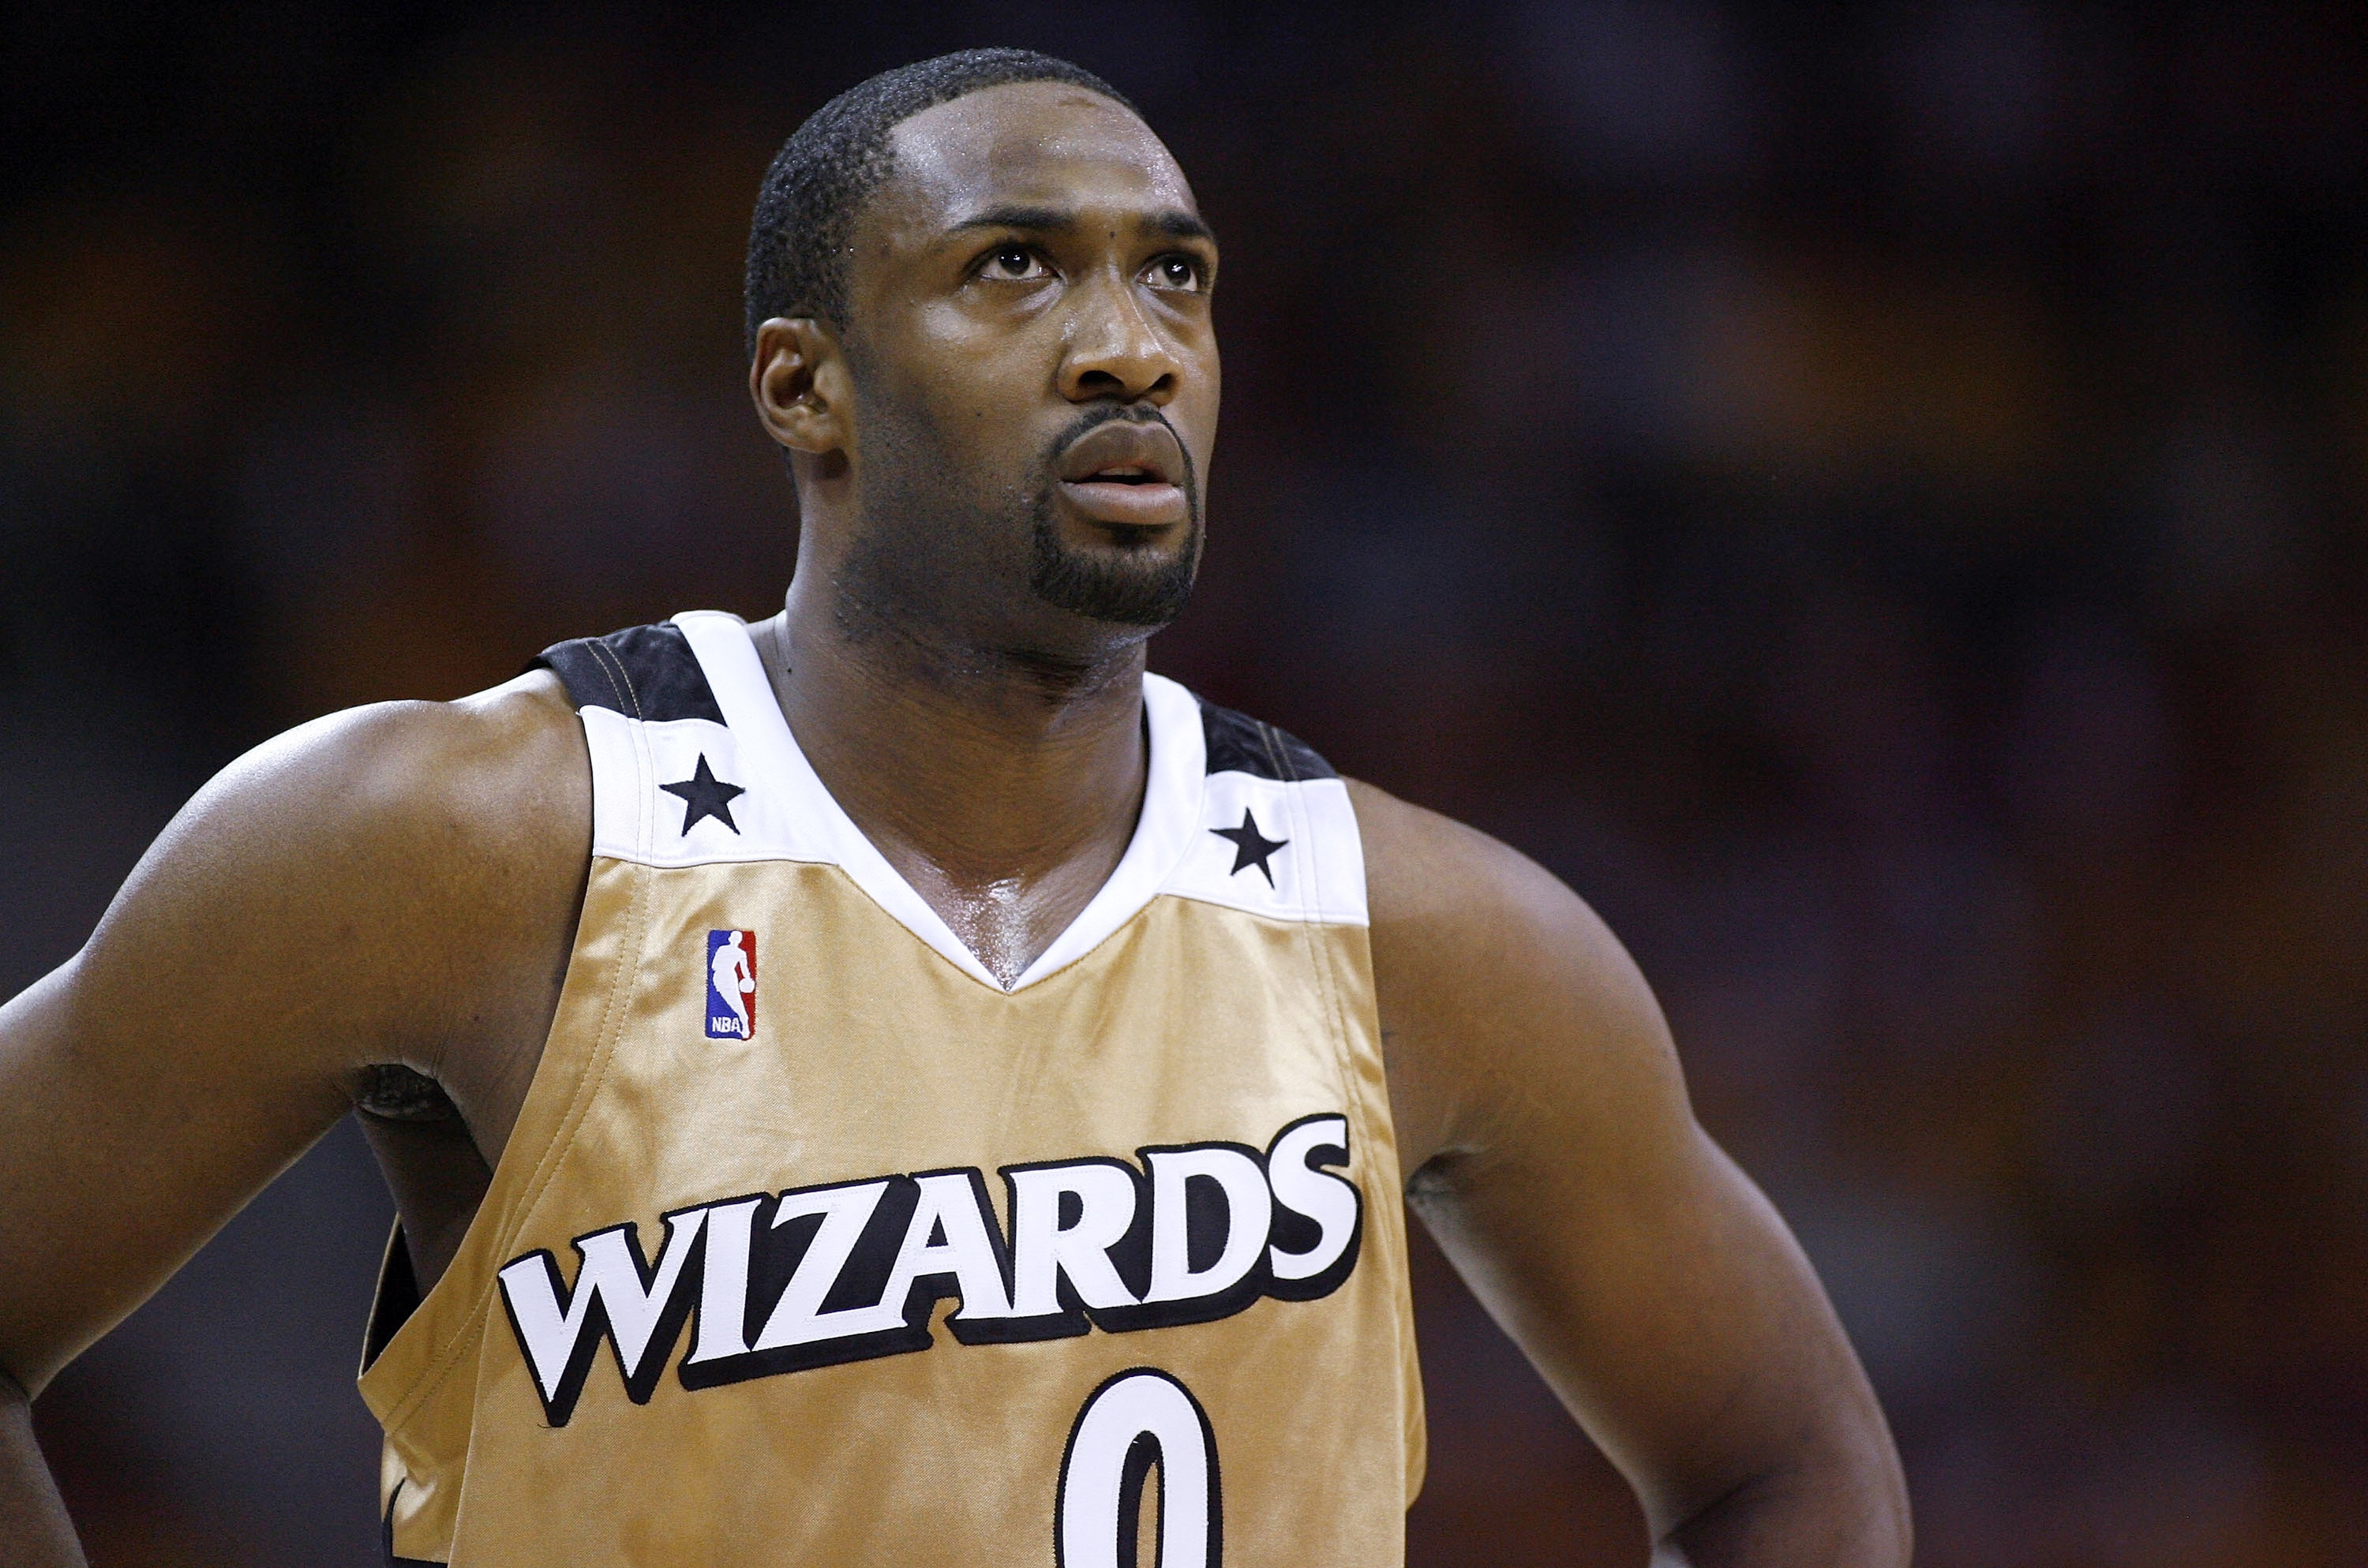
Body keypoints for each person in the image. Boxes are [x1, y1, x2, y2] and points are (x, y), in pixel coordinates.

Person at [0, 49, 1909, 1567]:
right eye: (1017, 266)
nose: (1131, 341)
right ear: (803, 386)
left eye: (1176, 274)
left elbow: (1791, 1465)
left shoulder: (1424, 932)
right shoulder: (465, 840)